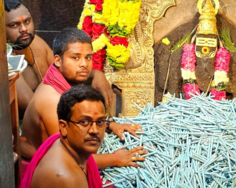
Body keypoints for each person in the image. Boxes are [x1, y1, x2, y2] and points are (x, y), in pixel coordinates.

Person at [17, 85, 159, 188]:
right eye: (84, 122)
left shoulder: (66, 146)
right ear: (64, 126)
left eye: (100, 122)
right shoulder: (65, 178)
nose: (94, 131)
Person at [21, 28, 144, 173]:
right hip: (42, 169)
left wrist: (109, 124)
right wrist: (116, 158)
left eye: (88, 57)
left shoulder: (63, 78)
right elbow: (71, 156)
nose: (84, 64)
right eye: (75, 58)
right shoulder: (52, 99)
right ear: (58, 60)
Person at [4, 0, 113, 118]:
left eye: (27, 21)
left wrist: (97, 74)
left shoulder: (35, 42)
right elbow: (32, 106)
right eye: (14, 25)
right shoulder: (5, 61)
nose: (24, 29)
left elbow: (66, 66)